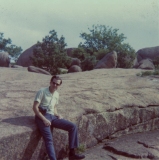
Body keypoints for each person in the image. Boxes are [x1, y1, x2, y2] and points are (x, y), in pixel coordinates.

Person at [33, 75, 85, 160]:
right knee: (49, 140)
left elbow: (54, 107)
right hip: (42, 116)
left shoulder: (57, 94)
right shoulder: (42, 91)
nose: (55, 85)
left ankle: (72, 154)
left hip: (53, 116)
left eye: (57, 84)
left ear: (59, 85)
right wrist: (44, 119)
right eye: (53, 83)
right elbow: (35, 108)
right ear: (50, 82)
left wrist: (57, 114)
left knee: (73, 126)